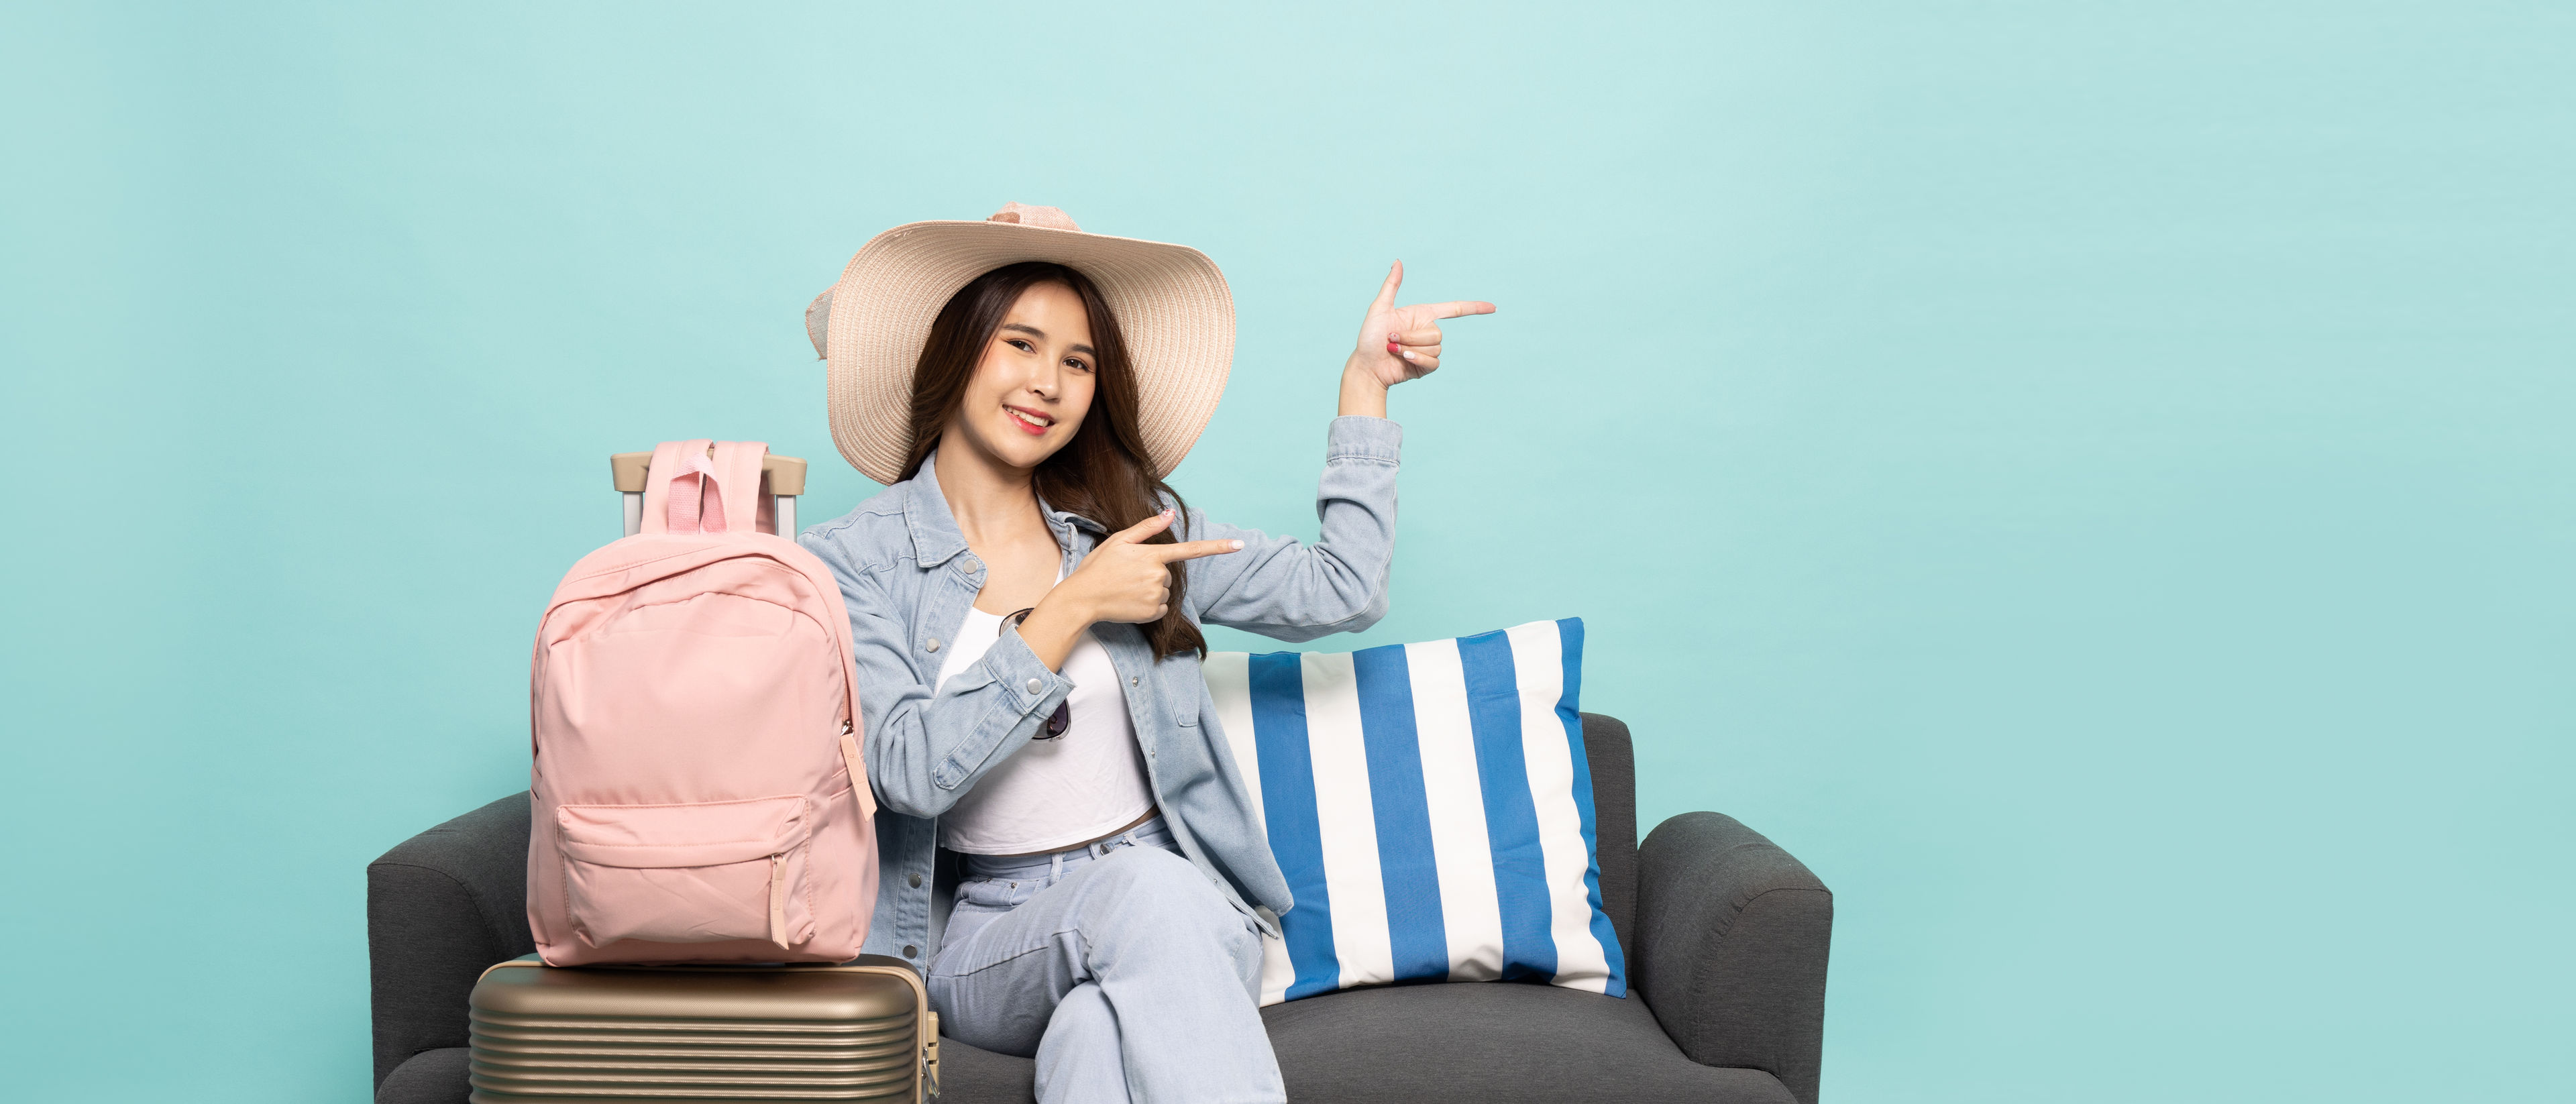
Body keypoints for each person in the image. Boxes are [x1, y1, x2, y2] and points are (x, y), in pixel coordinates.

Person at [798, 203, 1491, 1104]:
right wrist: (1073, 605)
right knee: (1138, 896)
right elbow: (906, 771)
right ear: (956, 348)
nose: (1048, 382)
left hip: (1188, 904)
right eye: (1021, 343)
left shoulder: (1132, 522)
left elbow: (1343, 587)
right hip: (994, 936)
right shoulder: (852, 558)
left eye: (1077, 362)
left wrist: (1366, 386)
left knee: (1093, 1035)